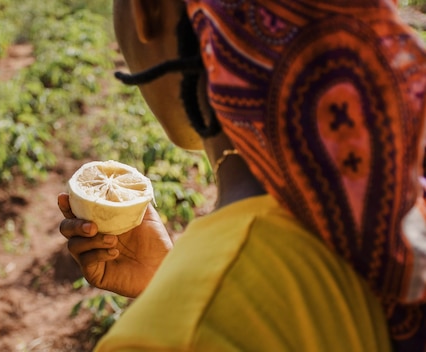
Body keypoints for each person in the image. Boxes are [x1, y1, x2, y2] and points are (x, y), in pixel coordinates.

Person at [59, 0, 426, 350]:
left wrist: (191, 304)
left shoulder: (171, 339)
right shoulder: (403, 202)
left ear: (147, 11)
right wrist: (172, 281)